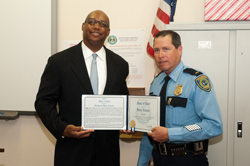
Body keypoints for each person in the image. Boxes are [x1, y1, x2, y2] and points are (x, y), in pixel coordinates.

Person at [35, 10, 129, 166]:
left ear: (108, 32)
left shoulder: (120, 65)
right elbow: (43, 102)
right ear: (83, 26)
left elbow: (123, 99)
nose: (97, 27)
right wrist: (63, 129)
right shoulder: (59, 62)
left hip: (107, 153)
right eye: (92, 22)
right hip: (72, 152)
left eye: (103, 24)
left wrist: (128, 120)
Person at [137, 30, 223, 166]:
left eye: (166, 49)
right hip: (159, 158)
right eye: (157, 50)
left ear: (179, 50)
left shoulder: (196, 80)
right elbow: (149, 128)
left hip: (188, 159)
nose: (160, 55)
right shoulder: (156, 83)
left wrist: (171, 134)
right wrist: (142, 162)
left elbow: (213, 125)